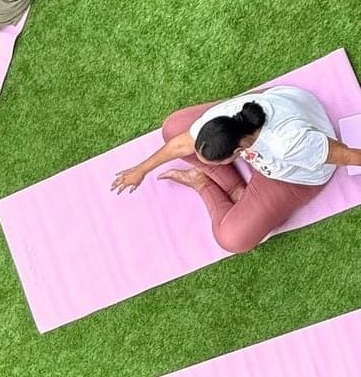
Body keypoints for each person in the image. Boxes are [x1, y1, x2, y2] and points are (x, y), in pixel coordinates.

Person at [110, 84, 361, 253]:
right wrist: (140, 169)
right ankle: (240, 194)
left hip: (294, 176)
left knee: (231, 238)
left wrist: (204, 183)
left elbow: (348, 155)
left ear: (237, 152)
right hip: (282, 108)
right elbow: (180, 144)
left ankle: (207, 183)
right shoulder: (225, 117)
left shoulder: (290, 145)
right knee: (172, 128)